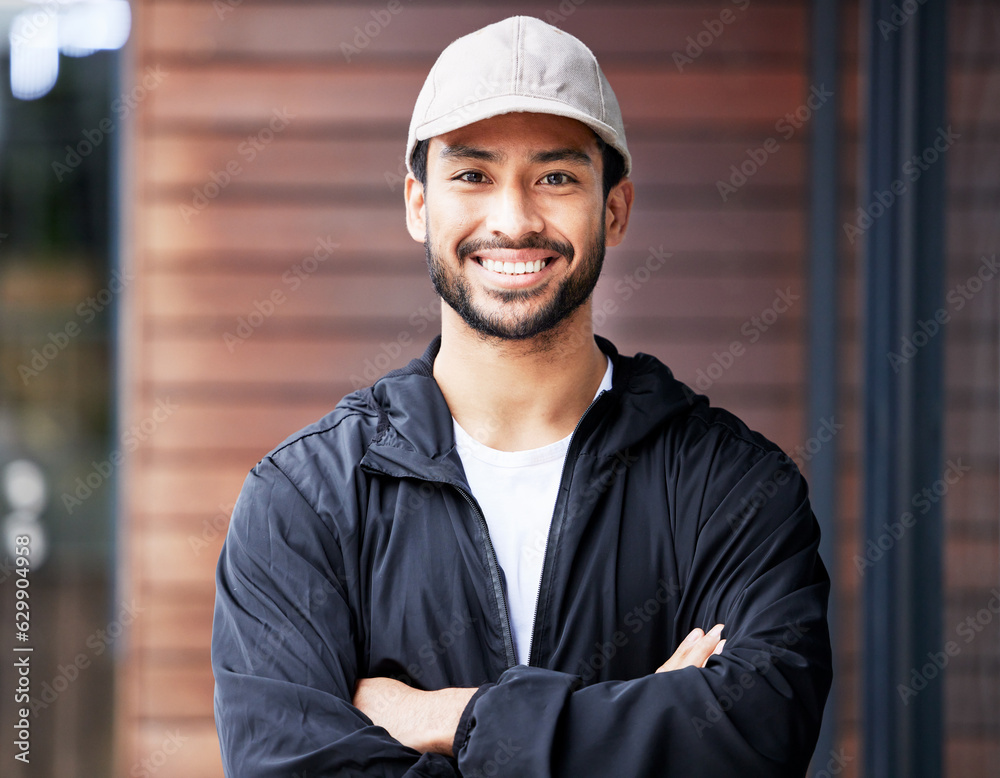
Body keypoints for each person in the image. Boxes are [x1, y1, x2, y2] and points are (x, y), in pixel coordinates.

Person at [212, 15, 831, 778]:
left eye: (557, 177)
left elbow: (752, 742)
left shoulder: (732, 489)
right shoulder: (304, 503)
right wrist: (637, 718)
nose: (513, 220)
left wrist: (451, 717)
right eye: (472, 175)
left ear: (615, 207)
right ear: (417, 204)